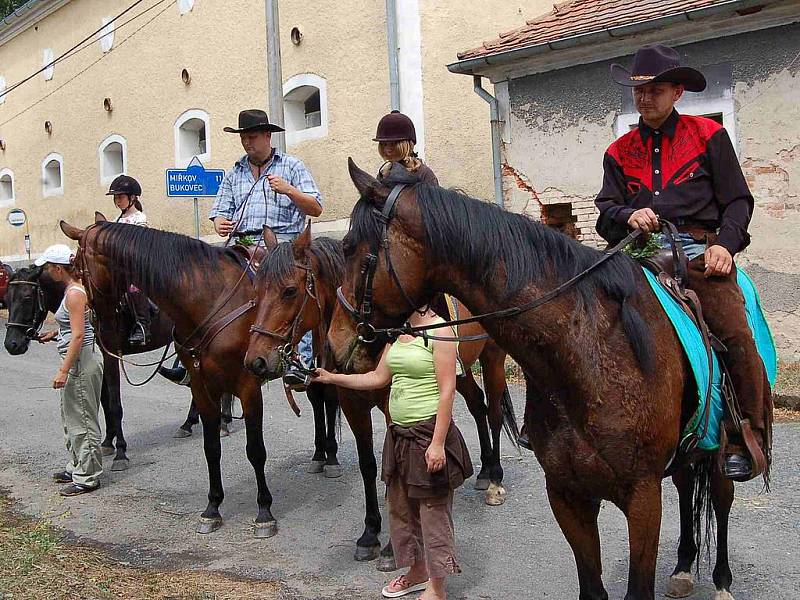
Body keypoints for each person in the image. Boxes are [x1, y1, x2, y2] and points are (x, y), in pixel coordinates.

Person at [594, 43, 773, 481]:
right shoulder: (617, 152)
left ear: (677, 92)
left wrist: (726, 247)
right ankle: (559, 418)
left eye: (655, 89)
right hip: (636, 254)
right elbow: (604, 214)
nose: (644, 97)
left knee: (733, 329)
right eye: (638, 89)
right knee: (576, 314)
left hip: (698, 253)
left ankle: (746, 434)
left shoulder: (709, 137)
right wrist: (626, 214)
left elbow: (738, 202)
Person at [313, 306, 472, 600]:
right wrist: (332, 378)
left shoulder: (440, 331)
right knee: (400, 509)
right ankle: (416, 571)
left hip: (427, 435)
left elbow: (448, 390)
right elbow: (376, 378)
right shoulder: (397, 334)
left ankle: (437, 588)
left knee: (432, 512)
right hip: (398, 436)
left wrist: (438, 443)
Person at [210, 109, 322, 388]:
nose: (247, 143)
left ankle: (301, 362)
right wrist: (220, 223)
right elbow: (220, 212)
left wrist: (289, 190)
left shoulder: (292, 166)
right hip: (243, 244)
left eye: (252, 137)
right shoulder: (234, 172)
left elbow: (316, 207)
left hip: (283, 246)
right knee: (207, 284)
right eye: (244, 138)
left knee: (291, 291)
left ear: (268, 136)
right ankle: (194, 357)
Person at [35, 244, 104, 496]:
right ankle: (76, 465)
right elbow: (73, 328)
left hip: (80, 362)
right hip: (76, 359)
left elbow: (78, 336)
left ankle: (88, 476)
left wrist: (63, 370)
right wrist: (55, 333)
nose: (46, 272)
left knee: (83, 419)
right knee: (71, 416)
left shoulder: (74, 293)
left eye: (48, 268)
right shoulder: (72, 291)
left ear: (57, 268)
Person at [106, 174, 151, 346]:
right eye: (115, 198)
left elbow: (137, 245)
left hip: (135, 265)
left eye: (120, 197)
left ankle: (142, 325)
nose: (117, 201)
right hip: (117, 264)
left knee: (134, 287)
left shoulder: (140, 218)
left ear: (132, 198)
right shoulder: (117, 220)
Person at [374, 111, 439, 186]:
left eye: (393, 144)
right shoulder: (384, 174)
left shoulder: (424, 174)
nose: (388, 149)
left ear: (408, 145)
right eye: (384, 144)